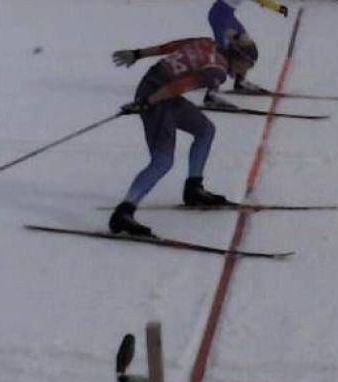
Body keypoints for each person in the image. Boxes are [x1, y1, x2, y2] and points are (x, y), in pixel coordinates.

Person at [107, 35, 258, 237]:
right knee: (162, 161)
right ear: (237, 58)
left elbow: (170, 46)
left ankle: (194, 188)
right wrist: (148, 102)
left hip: (160, 90)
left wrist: (138, 54)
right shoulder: (217, 72)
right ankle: (123, 212)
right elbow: (180, 85)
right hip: (159, 94)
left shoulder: (208, 42)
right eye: (248, 65)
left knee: (205, 130)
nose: (246, 71)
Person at [208, 0, 288, 95]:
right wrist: (277, 8)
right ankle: (211, 91)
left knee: (250, 50)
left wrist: (277, 8)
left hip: (228, 16)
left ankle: (240, 81)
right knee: (224, 52)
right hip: (220, 17)